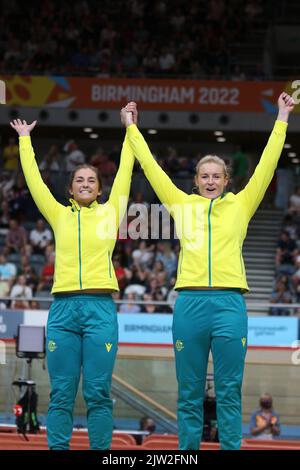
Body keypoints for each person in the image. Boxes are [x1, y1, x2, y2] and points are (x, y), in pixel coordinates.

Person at [122, 93, 294, 450]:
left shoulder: (242, 204)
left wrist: (281, 118)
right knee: (189, 393)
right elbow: (152, 169)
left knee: (230, 391)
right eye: (205, 176)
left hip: (231, 305)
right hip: (190, 305)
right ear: (196, 181)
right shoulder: (181, 204)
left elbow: (266, 163)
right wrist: (132, 129)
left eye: (217, 175)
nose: (211, 180)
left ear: (227, 180)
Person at [10, 114, 135, 450]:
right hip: (63, 311)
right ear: (70, 188)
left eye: (90, 180)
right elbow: (34, 181)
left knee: (97, 391)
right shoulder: (58, 214)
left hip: (100, 310)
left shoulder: (111, 212)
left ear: (99, 188)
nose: (84, 184)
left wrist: (130, 131)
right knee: (62, 392)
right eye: (79, 180)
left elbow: (125, 171)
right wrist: (25, 140)